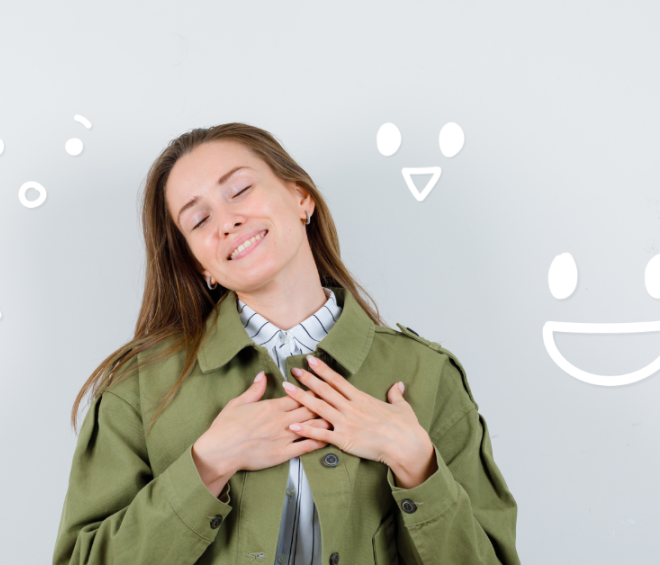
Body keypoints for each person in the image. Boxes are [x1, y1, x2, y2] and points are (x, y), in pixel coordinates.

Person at [52, 123, 520, 565]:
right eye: (198, 220)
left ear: (301, 198)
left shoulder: (427, 375)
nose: (227, 221)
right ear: (201, 266)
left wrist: (417, 465)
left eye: (239, 190)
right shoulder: (139, 387)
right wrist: (207, 465)